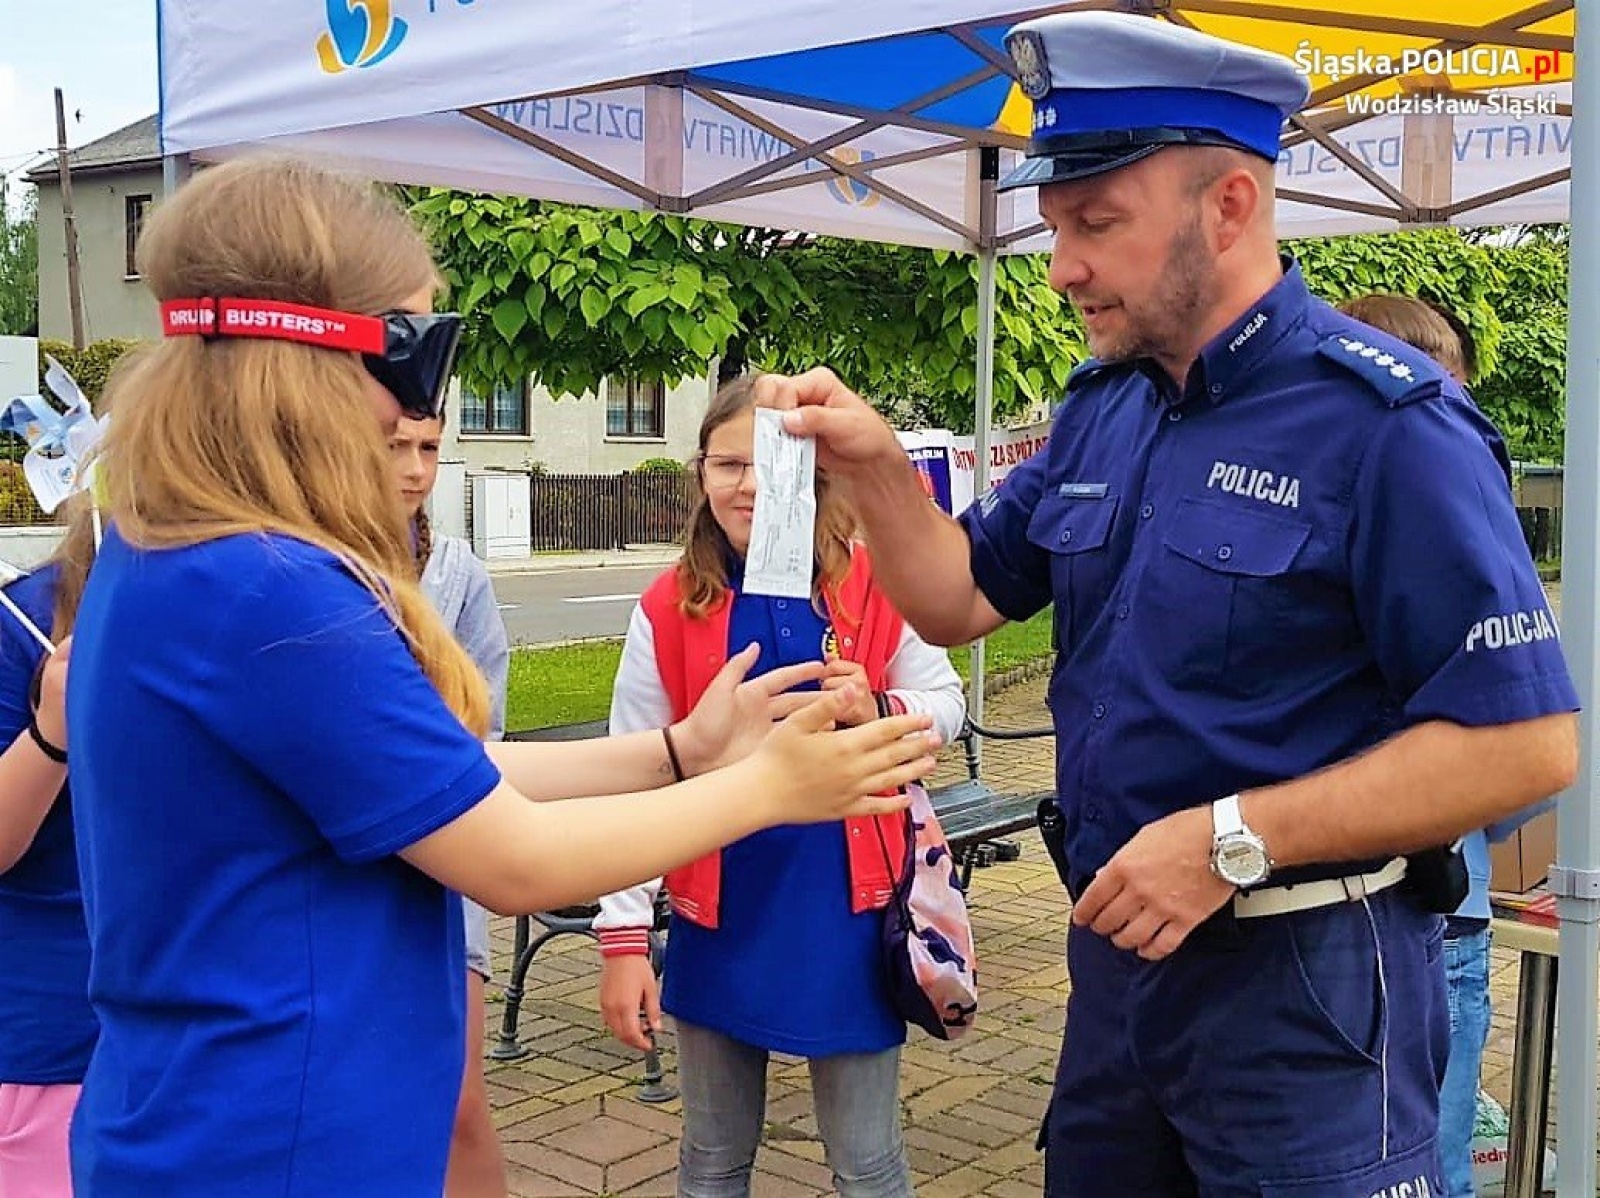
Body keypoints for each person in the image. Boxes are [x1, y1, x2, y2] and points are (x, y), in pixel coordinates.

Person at [752, 11, 1579, 1197]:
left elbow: (1526, 741)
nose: (1060, 265)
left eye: (1096, 223)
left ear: (1230, 205)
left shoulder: (1388, 427)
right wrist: (878, 467)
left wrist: (1229, 838)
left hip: (1306, 996)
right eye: (1053, 226)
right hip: (1118, 991)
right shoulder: (1108, 406)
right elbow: (956, 598)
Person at [64, 155, 941, 1198]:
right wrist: (767, 788)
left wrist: (679, 749)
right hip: (285, 1141)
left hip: (211, 1119)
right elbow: (515, 860)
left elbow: (443, 779)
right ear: (324, 361)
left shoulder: (165, 550)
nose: (417, 416)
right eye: (425, 350)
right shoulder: (269, 592)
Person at [593, 376, 967, 1198]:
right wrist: (624, 940)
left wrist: (878, 705)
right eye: (730, 463)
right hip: (717, 911)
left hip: (850, 910)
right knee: (714, 1159)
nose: (753, 484)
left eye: (777, 460)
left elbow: (947, 704)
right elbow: (634, 773)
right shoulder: (667, 607)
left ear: (816, 471)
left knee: (868, 1164)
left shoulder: (873, 582)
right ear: (700, 472)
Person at [1338, 292, 1550, 1198]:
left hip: (1420, 907)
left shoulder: (1419, 511)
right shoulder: (1444, 498)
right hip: (1364, 919)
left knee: (1431, 1170)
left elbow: (1520, 746)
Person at [391, 411, 511, 1197]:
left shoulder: (456, 574)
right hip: (348, 871)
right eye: (393, 444)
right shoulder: (300, 570)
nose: (413, 468)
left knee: (460, 1099)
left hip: (449, 849)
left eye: (429, 448)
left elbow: (486, 735)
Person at [0, 500, 95, 1197]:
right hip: (53, 1044)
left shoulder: (252, 616)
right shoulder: (20, 623)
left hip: (198, 1035)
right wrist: (52, 733)